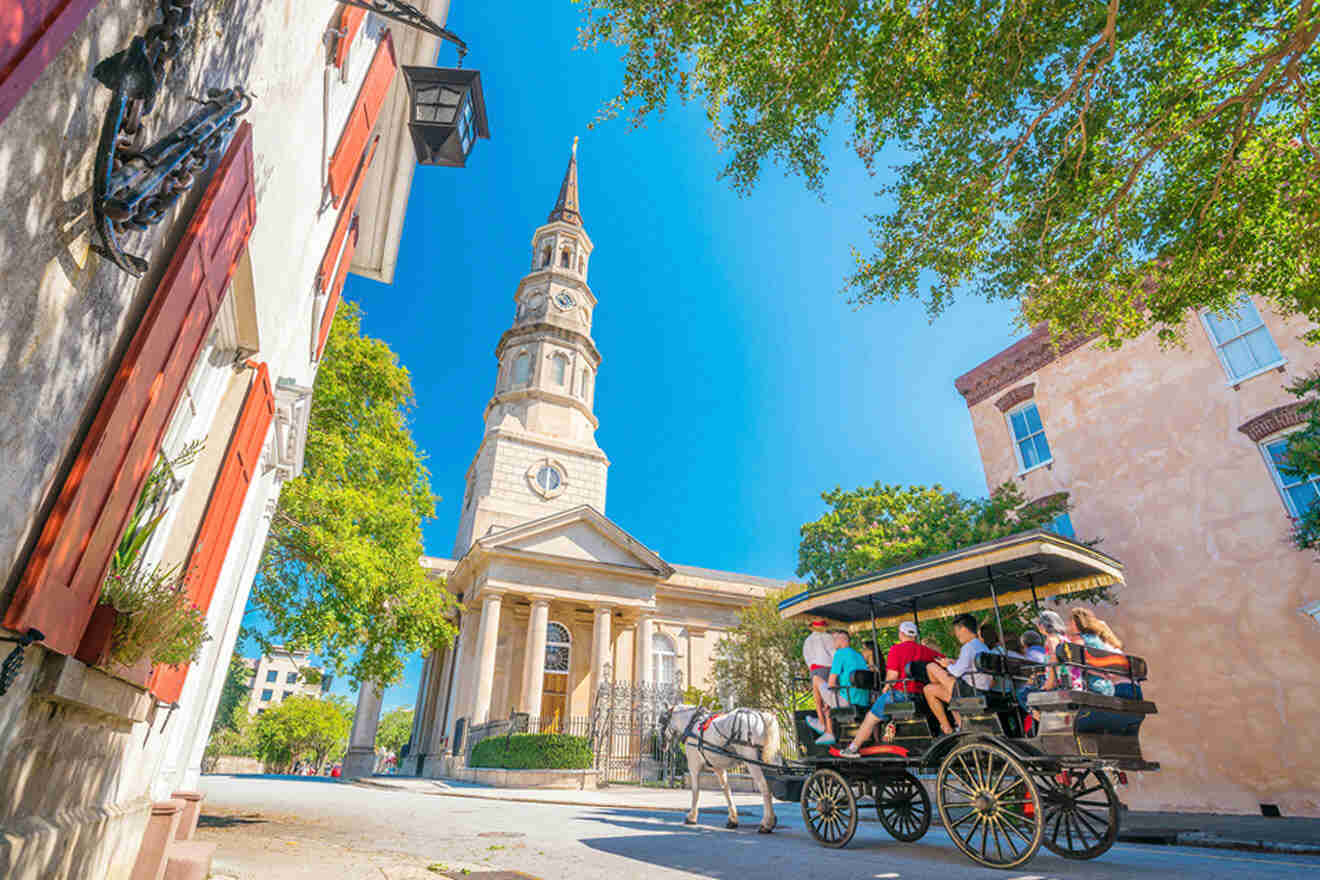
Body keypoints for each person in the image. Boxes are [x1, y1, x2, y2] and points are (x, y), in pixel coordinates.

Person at [835, 621, 942, 755]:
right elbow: (943, 661)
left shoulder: (896, 649)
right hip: (921, 695)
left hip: (900, 694)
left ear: (901, 634)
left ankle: (853, 748)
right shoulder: (926, 651)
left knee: (870, 717)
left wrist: (884, 691)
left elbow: (892, 677)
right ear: (915, 635)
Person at [923, 614, 990, 735]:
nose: (956, 635)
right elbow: (965, 666)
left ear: (963, 629)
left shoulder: (968, 647)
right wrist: (954, 662)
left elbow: (956, 672)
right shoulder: (981, 645)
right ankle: (948, 726)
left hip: (970, 690)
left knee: (931, 666)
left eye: (957, 631)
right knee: (928, 689)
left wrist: (946, 665)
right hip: (979, 688)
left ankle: (948, 727)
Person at [815, 629, 871, 745]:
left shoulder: (840, 654)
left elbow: (831, 683)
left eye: (834, 639)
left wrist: (827, 702)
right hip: (863, 700)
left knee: (816, 679)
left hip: (847, 701)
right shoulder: (858, 655)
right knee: (835, 693)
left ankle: (823, 725)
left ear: (842, 640)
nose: (833, 642)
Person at [1069, 607, 1123, 696]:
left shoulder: (1079, 640)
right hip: (1108, 687)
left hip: (1092, 686)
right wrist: (1103, 675)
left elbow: (1078, 666)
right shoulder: (1096, 639)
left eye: (1070, 622)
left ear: (1075, 623)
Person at [802, 619, 837, 737]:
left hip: (814, 669)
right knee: (828, 698)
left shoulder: (808, 640)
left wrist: (812, 667)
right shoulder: (829, 637)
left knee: (818, 700)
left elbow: (807, 657)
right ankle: (829, 727)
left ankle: (822, 722)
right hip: (828, 668)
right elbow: (834, 654)